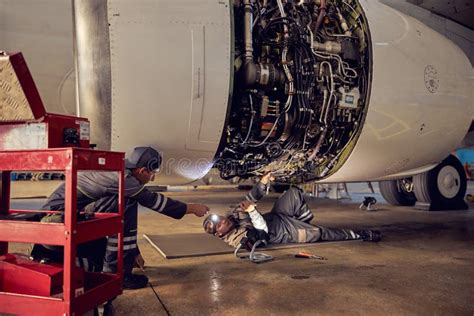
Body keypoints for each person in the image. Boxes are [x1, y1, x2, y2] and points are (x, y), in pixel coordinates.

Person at [38, 146, 209, 289]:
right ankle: (119, 275)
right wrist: (192, 208)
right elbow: (153, 200)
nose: (152, 178)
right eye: (151, 173)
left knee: (99, 260)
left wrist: (133, 251)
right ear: (142, 170)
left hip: (63, 220)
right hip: (56, 223)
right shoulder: (122, 179)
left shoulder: (117, 170)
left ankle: (60, 261)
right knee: (125, 202)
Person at [203, 173, 381, 250]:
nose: (221, 222)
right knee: (322, 233)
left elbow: (250, 198)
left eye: (217, 219)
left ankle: (303, 222)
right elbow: (262, 233)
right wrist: (253, 212)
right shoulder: (238, 239)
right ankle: (361, 235)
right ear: (219, 234)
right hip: (285, 232)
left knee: (293, 193)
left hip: (279, 216)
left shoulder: (233, 217)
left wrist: (263, 182)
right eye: (217, 226)